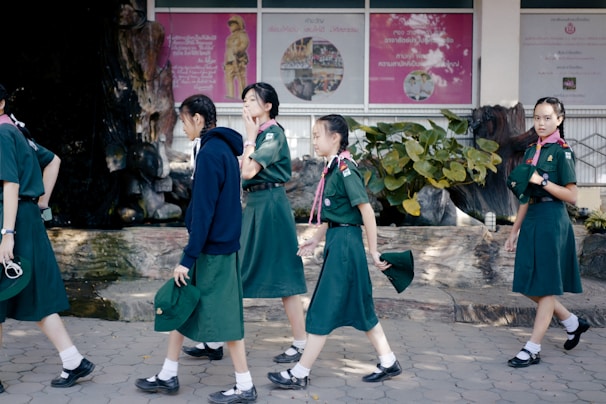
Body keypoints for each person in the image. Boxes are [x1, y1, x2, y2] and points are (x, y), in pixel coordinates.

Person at [134, 94, 257, 403]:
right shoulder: (218, 149)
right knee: (182, 303)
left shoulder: (211, 153)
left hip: (213, 250)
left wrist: (188, 257)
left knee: (227, 320)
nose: (183, 128)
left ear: (199, 120)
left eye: (185, 121)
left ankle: (245, 386)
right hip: (213, 246)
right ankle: (167, 374)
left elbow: (205, 209)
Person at [267, 114, 401, 389]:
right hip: (339, 241)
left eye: (318, 135)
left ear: (335, 138)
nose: (314, 140)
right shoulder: (333, 168)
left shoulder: (345, 169)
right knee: (362, 308)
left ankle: (300, 373)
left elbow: (366, 211)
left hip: (346, 246)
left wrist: (374, 251)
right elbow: (336, 214)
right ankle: (389, 361)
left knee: (322, 309)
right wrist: (315, 240)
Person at [182, 82, 308, 364]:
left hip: (271, 208)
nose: (245, 105)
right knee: (234, 274)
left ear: (268, 106)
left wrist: (250, 136)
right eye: (244, 100)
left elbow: (249, 171)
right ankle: (214, 339)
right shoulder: (262, 135)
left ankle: (301, 344)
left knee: (284, 276)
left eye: (252, 100)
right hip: (255, 206)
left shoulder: (272, 134)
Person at [0, 83, 95, 393]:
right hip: (28, 219)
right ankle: (73, 361)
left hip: (10, 219)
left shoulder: (2, 133)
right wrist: (41, 204)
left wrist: (7, 233)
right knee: (36, 296)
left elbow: (10, 185)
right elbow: (54, 161)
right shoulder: (16, 130)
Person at [504, 96, 589, 368]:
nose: (541, 123)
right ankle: (571, 322)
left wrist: (541, 180)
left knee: (547, 286)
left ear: (559, 120)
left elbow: (572, 196)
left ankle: (532, 348)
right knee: (527, 280)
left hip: (553, 219)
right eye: (537, 118)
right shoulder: (531, 152)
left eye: (547, 118)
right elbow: (525, 197)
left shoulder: (563, 153)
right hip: (532, 219)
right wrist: (514, 230)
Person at [224, 15, 250, 100]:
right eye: (230, 25)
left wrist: (238, 50)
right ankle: (230, 96)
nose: (231, 27)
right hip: (230, 61)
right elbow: (228, 51)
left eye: (233, 24)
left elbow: (244, 44)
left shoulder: (242, 34)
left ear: (239, 24)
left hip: (238, 60)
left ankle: (243, 96)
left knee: (241, 78)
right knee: (229, 79)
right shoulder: (230, 38)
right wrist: (226, 62)